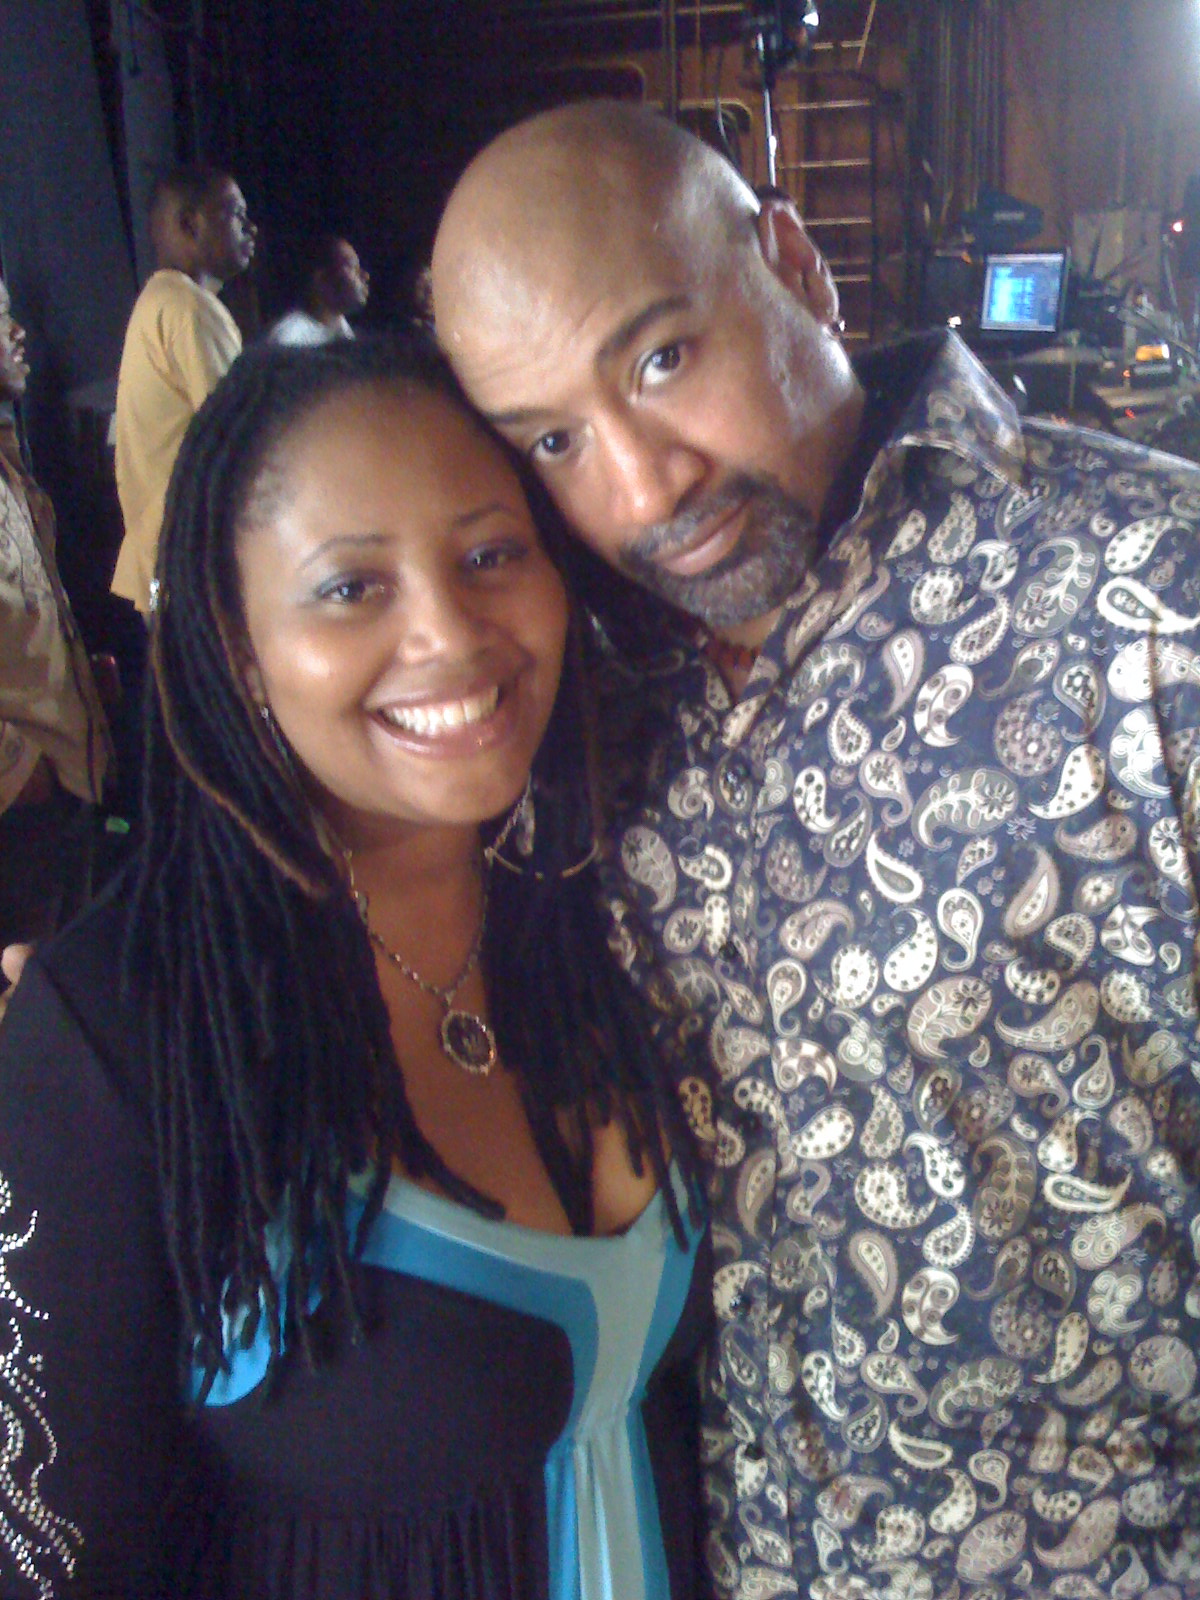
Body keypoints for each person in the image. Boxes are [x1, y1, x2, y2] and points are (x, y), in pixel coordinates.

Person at [431, 101, 1200, 1598]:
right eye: (555, 440)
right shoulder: (575, 709)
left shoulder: (1153, 602)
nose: (643, 488)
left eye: (663, 359)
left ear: (794, 263)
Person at [0, 336, 708, 1598]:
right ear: (236, 642)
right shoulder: (119, 1032)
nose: (449, 633)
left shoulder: (605, 905)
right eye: (350, 587)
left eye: (490, 555)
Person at [0, 274, 112, 969]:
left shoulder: (8, 460)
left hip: (63, 789)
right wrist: (22, 771)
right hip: (22, 815)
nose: (18, 334)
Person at [110, 164, 256, 617]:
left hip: (161, 569)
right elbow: (243, 440)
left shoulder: (158, 301)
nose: (250, 228)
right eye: (235, 214)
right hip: (190, 572)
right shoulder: (189, 309)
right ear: (191, 224)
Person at [269, 234, 370, 347]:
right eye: (352, 266)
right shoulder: (289, 339)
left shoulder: (349, 336)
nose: (365, 276)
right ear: (321, 278)